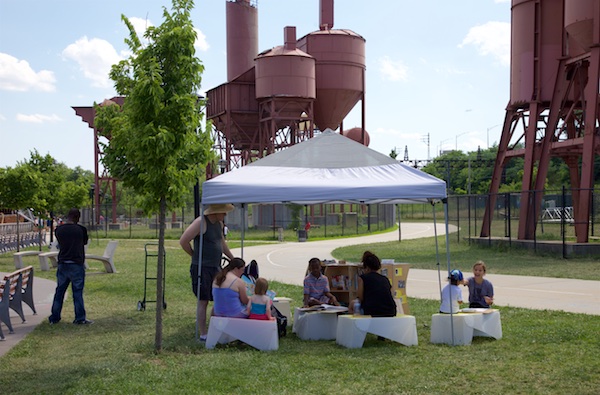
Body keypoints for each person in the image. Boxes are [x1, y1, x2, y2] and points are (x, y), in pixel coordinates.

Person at [179, 203, 235, 340]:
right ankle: (203, 333)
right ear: (215, 212)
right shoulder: (200, 222)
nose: (225, 215)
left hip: (216, 267)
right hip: (202, 268)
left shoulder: (219, 224)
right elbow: (183, 241)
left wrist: (233, 259)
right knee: (203, 300)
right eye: (223, 212)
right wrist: (194, 255)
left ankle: (214, 329)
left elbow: (222, 244)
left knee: (218, 297)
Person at [48, 208, 92, 325]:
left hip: (63, 263)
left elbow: (60, 243)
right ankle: (80, 318)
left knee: (60, 291)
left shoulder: (59, 230)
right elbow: (85, 242)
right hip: (76, 263)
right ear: (77, 217)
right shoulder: (81, 230)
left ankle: (55, 317)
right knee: (77, 292)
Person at [349, 251, 397, 317]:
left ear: (367, 268)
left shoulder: (363, 278)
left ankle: (356, 325)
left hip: (372, 310)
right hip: (390, 311)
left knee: (353, 304)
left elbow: (360, 297)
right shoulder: (385, 279)